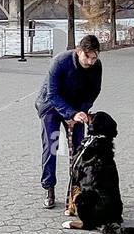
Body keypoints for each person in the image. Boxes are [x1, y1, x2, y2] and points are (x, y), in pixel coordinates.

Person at [34, 34, 102, 209]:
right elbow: (52, 94)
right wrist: (69, 114)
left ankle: (75, 191)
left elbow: (93, 92)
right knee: (51, 146)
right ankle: (49, 188)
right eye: (88, 57)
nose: (91, 61)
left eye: (95, 57)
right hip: (51, 107)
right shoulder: (60, 62)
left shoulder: (96, 66)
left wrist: (81, 113)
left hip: (76, 108)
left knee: (79, 150)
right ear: (79, 51)